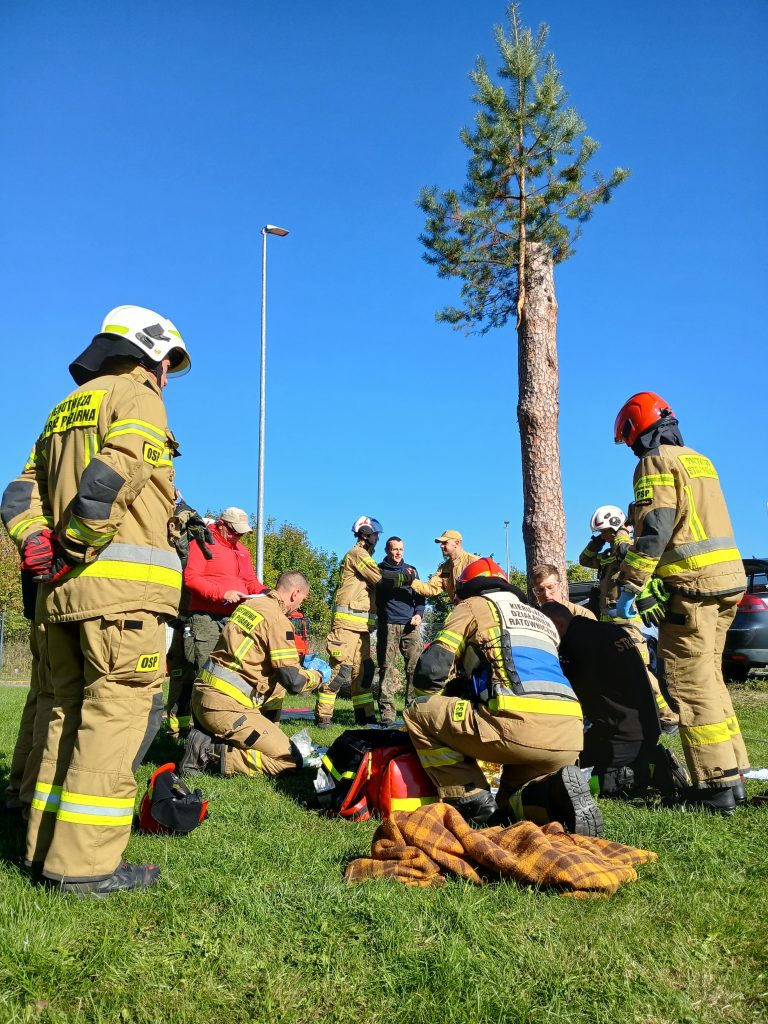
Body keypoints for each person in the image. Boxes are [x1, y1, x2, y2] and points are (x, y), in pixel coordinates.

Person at [1, 304, 191, 894]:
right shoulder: (137, 396)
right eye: (168, 363)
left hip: (60, 598)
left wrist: (38, 545)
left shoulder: (65, 408)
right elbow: (115, 474)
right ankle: (84, 868)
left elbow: (18, 495)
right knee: (113, 718)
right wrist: (77, 543)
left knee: (61, 714)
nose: (167, 377)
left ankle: (40, 848)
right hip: (120, 599)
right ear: (149, 354)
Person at [613, 391, 748, 814]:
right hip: (728, 583)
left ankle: (715, 786)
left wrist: (630, 585)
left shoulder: (654, 462)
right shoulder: (700, 461)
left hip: (692, 588)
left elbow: (656, 528)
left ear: (636, 430)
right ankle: (734, 776)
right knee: (711, 679)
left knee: (690, 685)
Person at [404, 558, 601, 834]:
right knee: (509, 802)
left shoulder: (472, 606)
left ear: (468, 590)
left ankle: (470, 799)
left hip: (515, 726)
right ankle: (554, 798)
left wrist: (437, 711)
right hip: (569, 738)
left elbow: (430, 672)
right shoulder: (540, 618)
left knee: (418, 711)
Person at [181, 572, 330, 777]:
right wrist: (318, 676)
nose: (298, 607)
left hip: (202, 697)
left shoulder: (250, 606)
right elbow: (293, 682)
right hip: (227, 707)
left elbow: (253, 653)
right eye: (302, 600)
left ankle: (206, 737)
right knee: (290, 760)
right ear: (295, 593)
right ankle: (210, 750)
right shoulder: (278, 619)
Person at [540, 602, 688, 799]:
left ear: (556, 624)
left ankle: (646, 772)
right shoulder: (610, 631)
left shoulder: (574, 642)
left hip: (620, 738)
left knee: (572, 775)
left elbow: (565, 695)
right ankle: (650, 759)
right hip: (649, 730)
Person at [579, 504, 679, 733]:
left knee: (640, 669)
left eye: (606, 532)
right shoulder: (607, 557)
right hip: (608, 624)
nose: (604, 536)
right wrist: (598, 541)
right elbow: (584, 560)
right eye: (602, 533)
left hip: (628, 622)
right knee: (606, 670)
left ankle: (669, 717)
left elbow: (625, 552)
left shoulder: (631, 550)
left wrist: (620, 533)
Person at [314, 517, 414, 728]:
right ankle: (324, 716)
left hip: (361, 627)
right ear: (366, 534)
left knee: (364, 672)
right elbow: (380, 579)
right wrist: (405, 578)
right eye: (376, 534)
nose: (378, 538)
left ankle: (365, 716)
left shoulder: (366, 556)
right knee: (340, 671)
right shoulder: (357, 554)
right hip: (346, 626)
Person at [182, 505, 267, 680]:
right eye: (235, 532)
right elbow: (191, 578)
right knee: (205, 673)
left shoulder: (242, 551)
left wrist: (267, 592)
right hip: (206, 619)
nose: (238, 536)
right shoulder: (201, 543)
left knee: (229, 674)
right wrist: (223, 593)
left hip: (235, 619)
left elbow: (250, 581)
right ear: (221, 525)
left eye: (241, 533)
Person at [3, 572, 51, 817]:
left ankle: (19, 792)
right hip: (54, 611)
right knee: (51, 703)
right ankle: (30, 801)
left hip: (39, 608)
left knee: (39, 699)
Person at [376, 536, 425, 724]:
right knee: (386, 668)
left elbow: (420, 598)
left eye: (401, 549)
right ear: (387, 550)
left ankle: (412, 712)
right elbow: (379, 589)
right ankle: (387, 715)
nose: (398, 553)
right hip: (387, 624)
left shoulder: (412, 570)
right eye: (394, 549)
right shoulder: (379, 570)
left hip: (410, 626)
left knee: (414, 668)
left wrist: (419, 614)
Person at [410, 529, 479, 604]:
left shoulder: (474, 561)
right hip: (460, 608)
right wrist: (410, 580)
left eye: (445, 543)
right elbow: (431, 589)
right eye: (441, 543)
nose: (441, 546)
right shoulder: (444, 568)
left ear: (457, 542)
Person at [530, 563, 597, 619]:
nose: (546, 594)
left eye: (551, 587)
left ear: (561, 586)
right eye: (540, 590)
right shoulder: (534, 619)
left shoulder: (583, 615)